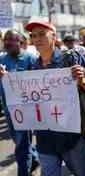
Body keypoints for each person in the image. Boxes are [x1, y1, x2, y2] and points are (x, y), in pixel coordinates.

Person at [25, 20, 85, 176]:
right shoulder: (33, 66)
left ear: (54, 36)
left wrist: (82, 80)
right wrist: (7, 79)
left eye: (42, 34)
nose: (37, 39)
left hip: (71, 137)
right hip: (44, 139)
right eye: (33, 35)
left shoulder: (70, 59)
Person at [0, 30, 39, 176]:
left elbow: (37, 83)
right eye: (5, 40)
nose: (8, 42)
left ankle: (23, 172)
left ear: (20, 42)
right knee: (19, 141)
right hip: (8, 109)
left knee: (22, 145)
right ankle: (34, 158)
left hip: (26, 110)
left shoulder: (30, 58)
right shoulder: (1, 59)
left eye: (11, 39)